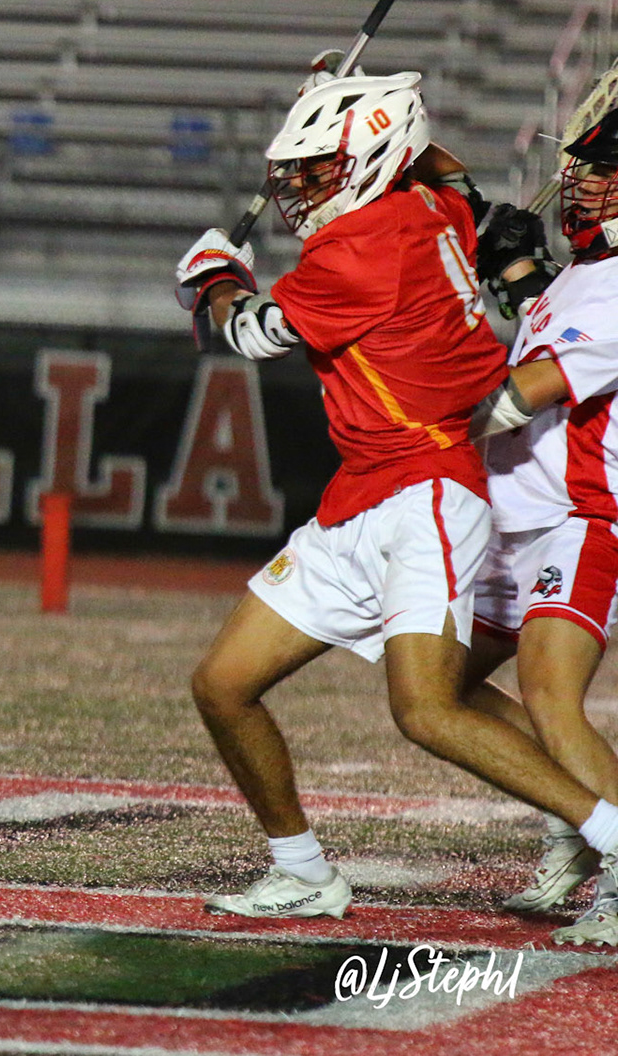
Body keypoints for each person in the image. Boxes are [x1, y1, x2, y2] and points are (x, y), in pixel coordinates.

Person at [176, 70, 618, 919]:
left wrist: (212, 276)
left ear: (379, 163)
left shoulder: (362, 248)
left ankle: (607, 829)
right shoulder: (432, 207)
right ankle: (303, 870)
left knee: (430, 709)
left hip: (434, 488)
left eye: (318, 171)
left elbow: (245, 331)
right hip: (369, 490)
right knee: (223, 684)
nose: (301, 190)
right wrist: (349, 101)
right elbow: (444, 173)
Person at [463, 105, 618, 945]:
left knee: (551, 698)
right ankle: (577, 815)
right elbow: (546, 319)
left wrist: (402, 404)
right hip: (513, 513)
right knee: (437, 688)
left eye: (603, 170)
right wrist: (516, 266)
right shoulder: (586, 271)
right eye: (583, 166)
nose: (582, 182)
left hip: (578, 517)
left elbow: (518, 397)